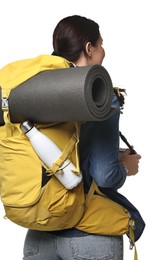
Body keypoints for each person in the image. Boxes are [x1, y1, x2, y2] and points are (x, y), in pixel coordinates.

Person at [23, 15, 142, 260]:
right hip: (88, 233)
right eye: (101, 44)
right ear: (89, 48)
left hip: (39, 231)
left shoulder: (31, 90)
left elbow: (59, 150)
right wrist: (125, 167)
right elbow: (103, 174)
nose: (103, 51)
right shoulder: (98, 94)